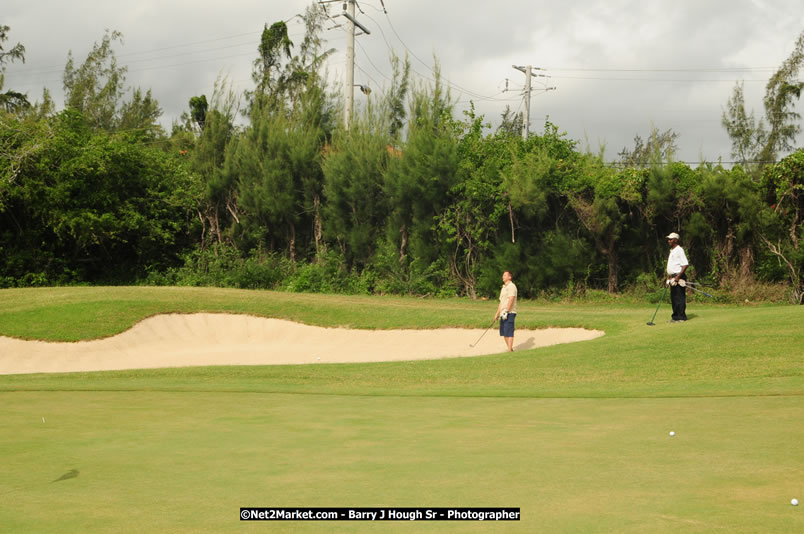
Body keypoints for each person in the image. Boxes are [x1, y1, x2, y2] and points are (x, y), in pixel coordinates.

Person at [665, 232, 689, 322]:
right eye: (668, 239)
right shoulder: (672, 251)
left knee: (679, 297)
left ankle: (682, 317)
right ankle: (675, 317)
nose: (669, 241)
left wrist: (678, 276)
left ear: (676, 240)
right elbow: (671, 266)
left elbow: (685, 264)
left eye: (671, 239)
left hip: (679, 276)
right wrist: (668, 278)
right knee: (674, 298)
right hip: (672, 277)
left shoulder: (679, 250)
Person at [494, 270, 518, 351]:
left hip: (510, 312)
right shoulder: (503, 287)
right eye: (503, 275)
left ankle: (509, 350)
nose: (503, 276)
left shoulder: (512, 286)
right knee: (504, 332)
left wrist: (506, 311)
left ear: (509, 277)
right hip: (503, 313)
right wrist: (497, 314)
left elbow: (511, 299)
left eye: (505, 275)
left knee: (509, 331)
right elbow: (501, 302)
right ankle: (510, 349)